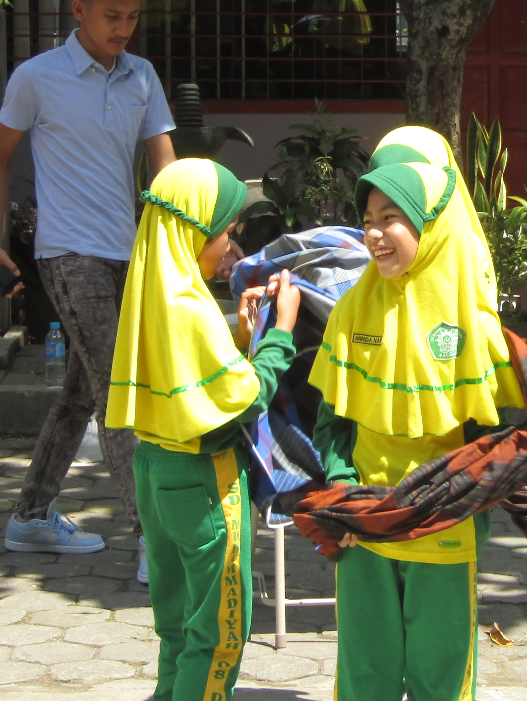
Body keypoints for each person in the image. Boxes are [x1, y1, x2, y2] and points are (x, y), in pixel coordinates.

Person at [308, 147, 527, 701]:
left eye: (390, 220)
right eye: (368, 222)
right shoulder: (350, 312)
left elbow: (504, 436)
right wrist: (341, 495)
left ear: (430, 227)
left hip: (444, 530)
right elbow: (330, 423)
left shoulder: (476, 325)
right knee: (365, 675)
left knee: (441, 676)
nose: (375, 235)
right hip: (367, 527)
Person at [105, 158, 299, 701]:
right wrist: (282, 330)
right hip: (203, 479)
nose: (231, 247)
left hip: (155, 471)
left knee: (175, 624)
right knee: (218, 633)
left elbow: (195, 381)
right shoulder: (190, 305)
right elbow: (244, 399)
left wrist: (240, 340)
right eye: (226, 233)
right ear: (194, 232)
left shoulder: (152, 294)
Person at [1, 0, 176, 584]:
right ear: (79, 10)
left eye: (132, 16)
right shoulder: (36, 78)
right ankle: (155, 537)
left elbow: (167, 173)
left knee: (83, 392)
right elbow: (1, 155)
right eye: (111, 15)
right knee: (120, 394)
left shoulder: (142, 75)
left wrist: (178, 255)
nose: (123, 28)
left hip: (131, 255)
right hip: (68, 255)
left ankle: (29, 516)